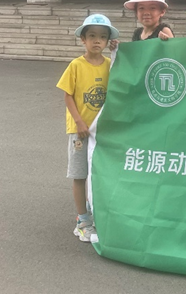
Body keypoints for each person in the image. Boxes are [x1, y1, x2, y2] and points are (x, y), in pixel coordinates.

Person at [56, 14, 119, 243]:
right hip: (80, 131)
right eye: (91, 36)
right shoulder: (76, 65)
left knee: (98, 172)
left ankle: (96, 213)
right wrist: (79, 122)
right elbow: (68, 95)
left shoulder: (110, 65)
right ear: (83, 39)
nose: (97, 41)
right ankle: (82, 220)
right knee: (79, 174)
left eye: (102, 37)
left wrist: (118, 52)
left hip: (101, 131)